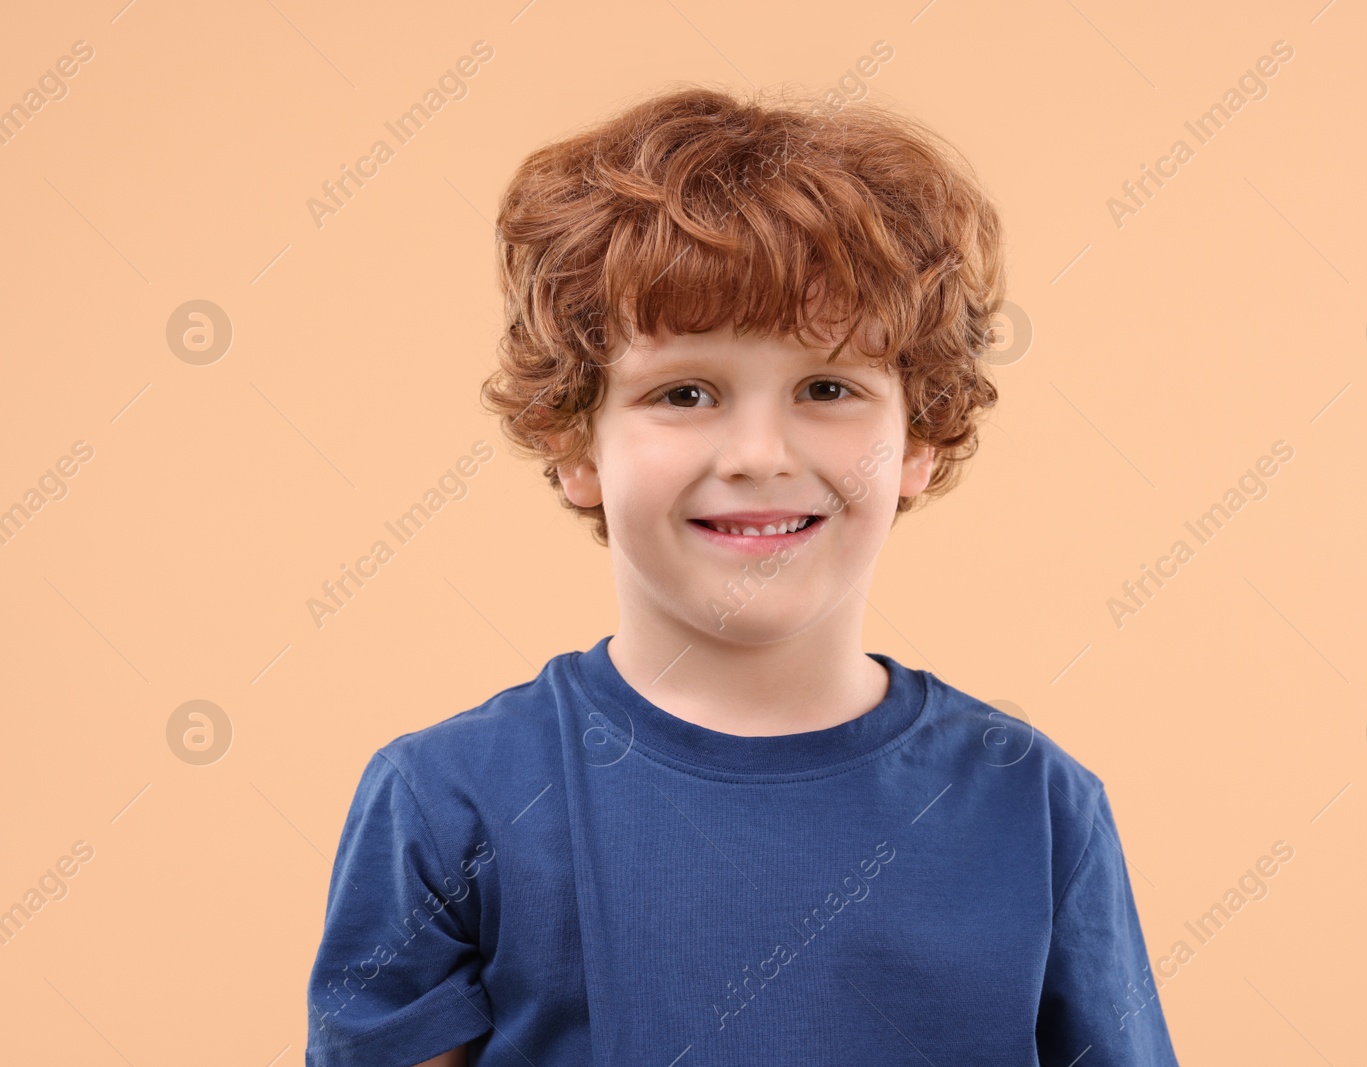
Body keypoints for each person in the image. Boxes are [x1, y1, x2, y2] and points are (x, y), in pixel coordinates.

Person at [304, 82, 1181, 1066]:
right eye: (684, 391)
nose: (758, 452)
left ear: (921, 434)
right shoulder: (446, 796)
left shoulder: (1037, 806)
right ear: (572, 440)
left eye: (827, 386)